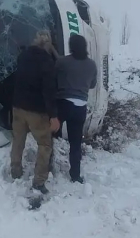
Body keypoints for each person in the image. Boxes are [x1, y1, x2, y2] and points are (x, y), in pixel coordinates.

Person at [10, 30, 60, 194]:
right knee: (45, 145)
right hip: (36, 112)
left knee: (18, 141)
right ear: (48, 46)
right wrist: (53, 115)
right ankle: (39, 182)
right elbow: (49, 91)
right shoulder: (47, 62)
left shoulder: (23, 56)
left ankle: (15, 172)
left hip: (18, 107)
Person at [55, 34, 97, 184]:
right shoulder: (92, 65)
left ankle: (47, 167)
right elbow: (92, 85)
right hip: (80, 107)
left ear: (71, 46)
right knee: (75, 143)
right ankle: (75, 175)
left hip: (64, 104)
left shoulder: (64, 62)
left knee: (50, 134)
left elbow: (54, 71)